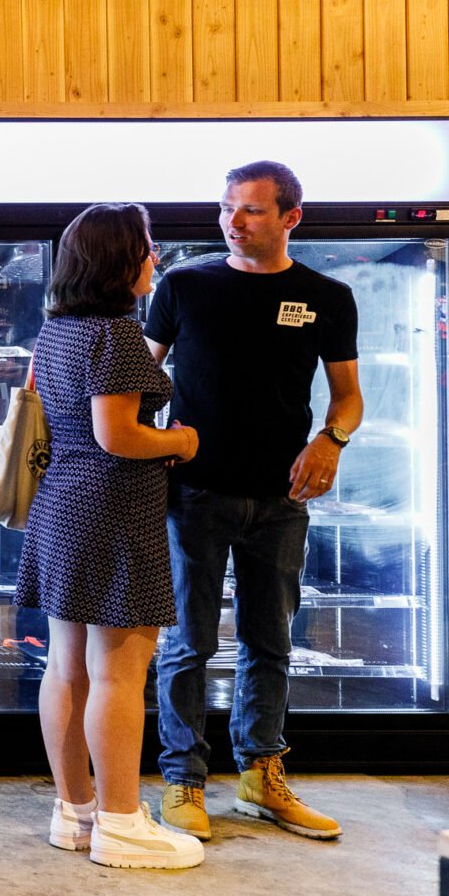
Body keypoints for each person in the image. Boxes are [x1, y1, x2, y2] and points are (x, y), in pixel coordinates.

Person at [149, 161, 360, 843]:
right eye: (226, 208)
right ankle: (183, 779)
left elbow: (347, 398)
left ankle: (261, 777)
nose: (232, 223)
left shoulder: (326, 296)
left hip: (281, 499)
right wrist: (143, 444)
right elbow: (141, 381)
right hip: (194, 494)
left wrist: (331, 440)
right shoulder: (183, 285)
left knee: (270, 643)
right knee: (187, 644)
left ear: (291, 217)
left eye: (251, 210)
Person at [16, 203, 203, 870]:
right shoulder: (117, 335)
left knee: (66, 667)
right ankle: (122, 824)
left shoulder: (56, 331)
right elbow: (116, 435)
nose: (156, 258)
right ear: (119, 261)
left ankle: (76, 813)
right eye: (148, 247)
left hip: (62, 503)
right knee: (119, 673)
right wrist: (180, 441)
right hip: (113, 510)